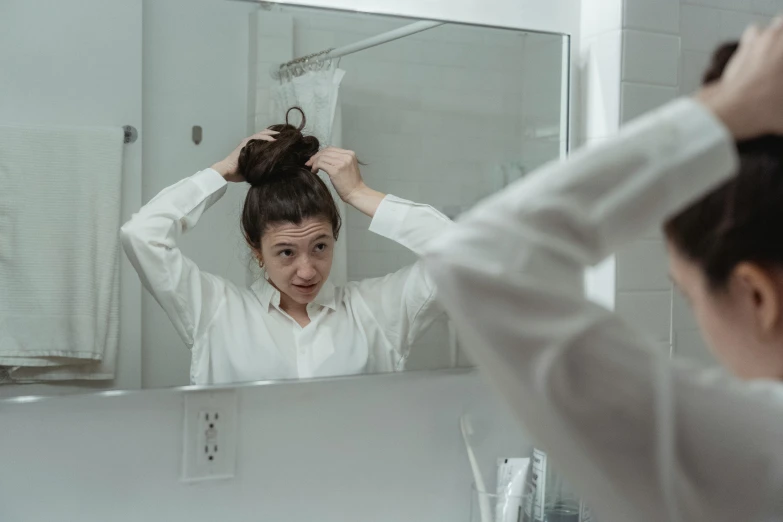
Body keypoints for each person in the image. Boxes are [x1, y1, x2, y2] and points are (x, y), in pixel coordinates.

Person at [423, 22, 783, 522]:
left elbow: (479, 261)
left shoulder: (757, 452)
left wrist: (727, 110)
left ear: (757, 296)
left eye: (689, 296)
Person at [121, 108, 450, 385]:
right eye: (286, 252)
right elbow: (141, 234)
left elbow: (464, 255)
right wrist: (220, 171)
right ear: (256, 248)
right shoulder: (216, 311)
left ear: (334, 236)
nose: (307, 271)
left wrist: (359, 194)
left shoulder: (378, 312)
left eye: (320, 247)